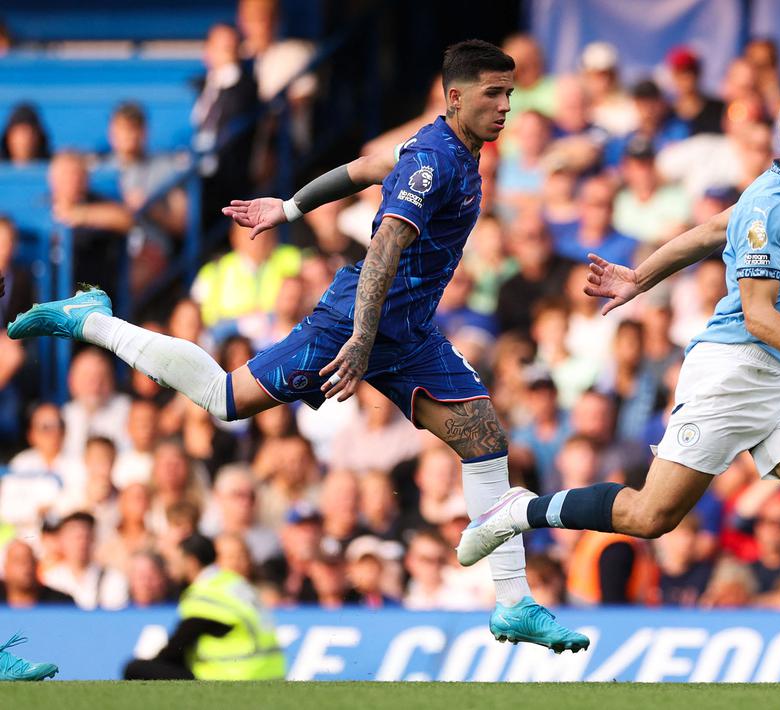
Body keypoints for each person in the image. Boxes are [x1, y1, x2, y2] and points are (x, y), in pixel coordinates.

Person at [7, 40, 585, 652]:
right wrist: (359, 339)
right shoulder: (435, 162)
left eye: (509, 94)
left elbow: (364, 168)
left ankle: (513, 603)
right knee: (225, 399)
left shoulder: (448, 150)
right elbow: (383, 249)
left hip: (407, 331)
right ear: (456, 97)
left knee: (484, 437)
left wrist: (289, 206)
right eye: (494, 94)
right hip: (353, 323)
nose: (506, 106)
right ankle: (93, 321)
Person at [459, 87, 780, 680]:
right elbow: (758, 316)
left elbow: (714, 228)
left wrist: (640, 277)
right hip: (733, 371)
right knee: (649, 516)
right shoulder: (770, 204)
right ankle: (519, 509)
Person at [123, 534, 284, 680]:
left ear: (191, 562)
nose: (172, 568)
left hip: (237, 678)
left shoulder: (206, 594)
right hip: (270, 674)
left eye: (176, 561)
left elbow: (176, 648)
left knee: (135, 668)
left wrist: (153, 666)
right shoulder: (233, 582)